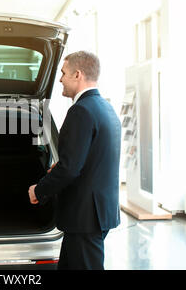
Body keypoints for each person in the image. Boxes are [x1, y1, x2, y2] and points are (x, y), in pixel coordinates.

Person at [28, 51, 121, 270]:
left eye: (63, 73)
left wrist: (38, 190)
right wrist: (61, 167)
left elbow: (70, 169)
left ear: (77, 75)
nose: (60, 79)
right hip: (96, 213)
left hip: (84, 216)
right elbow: (92, 159)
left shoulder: (80, 111)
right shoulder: (105, 108)